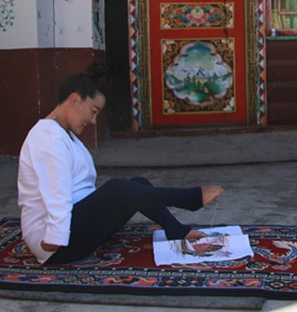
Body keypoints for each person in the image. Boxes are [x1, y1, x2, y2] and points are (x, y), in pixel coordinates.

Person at [17, 63, 223, 264]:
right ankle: (190, 198)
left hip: (76, 227)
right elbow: (56, 194)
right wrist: (54, 239)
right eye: (93, 111)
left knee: (139, 184)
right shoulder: (47, 137)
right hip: (56, 245)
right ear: (74, 99)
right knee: (118, 189)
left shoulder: (63, 134)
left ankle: (176, 229)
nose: (93, 120)